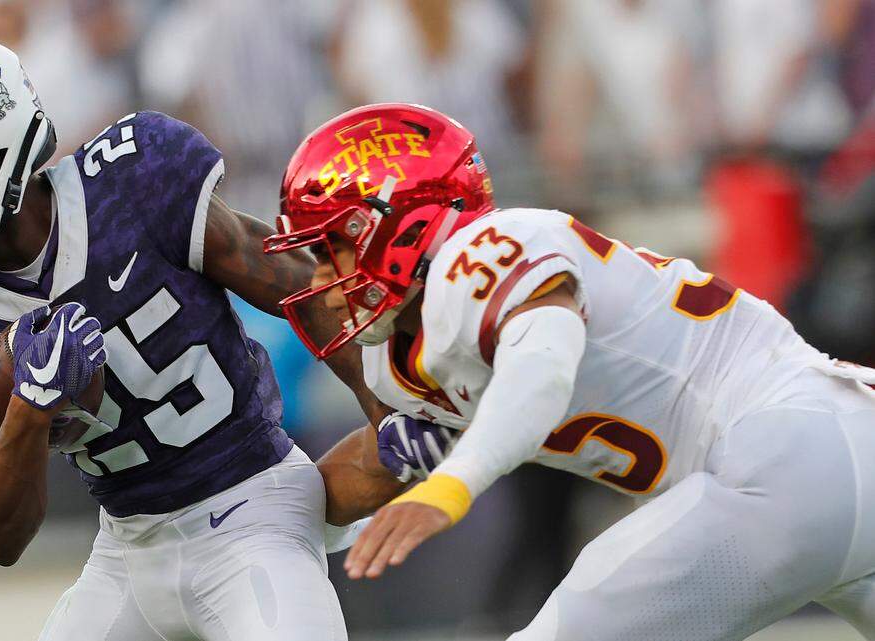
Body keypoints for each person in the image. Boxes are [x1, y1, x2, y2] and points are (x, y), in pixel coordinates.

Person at [0, 34, 395, 641]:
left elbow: (305, 293)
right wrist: (29, 409)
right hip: (125, 550)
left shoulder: (136, 177)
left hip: (254, 512)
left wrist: (397, 418)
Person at [265, 102, 875, 640]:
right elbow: (381, 462)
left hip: (781, 447)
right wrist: (251, 517)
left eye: (331, 250)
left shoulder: (479, 254)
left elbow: (543, 364)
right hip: (839, 445)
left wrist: (452, 489)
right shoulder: (408, 359)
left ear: (405, 226)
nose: (322, 280)